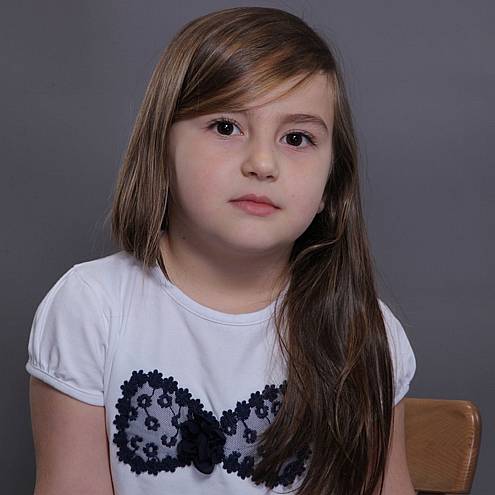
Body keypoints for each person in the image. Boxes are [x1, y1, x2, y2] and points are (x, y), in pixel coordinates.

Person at [25, 6, 417, 495]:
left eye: (297, 138)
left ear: (330, 186)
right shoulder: (92, 309)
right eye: (227, 127)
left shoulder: (365, 331)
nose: (262, 163)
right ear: (161, 148)